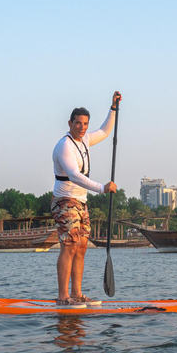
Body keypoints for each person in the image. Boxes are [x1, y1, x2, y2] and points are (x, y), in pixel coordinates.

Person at [51, 91, 121, 306]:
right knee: (69, 246)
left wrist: (113, 108)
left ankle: (78, 295)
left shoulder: (86, 140)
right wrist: (102, 188)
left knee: (81, 247)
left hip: (81, 202)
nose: (82, 127)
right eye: (78, 123)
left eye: (85, 124)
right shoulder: (65, 145)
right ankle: (63, 297)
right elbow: (73, 175)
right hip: (65, 200)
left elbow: (105, 131)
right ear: (70, 123)